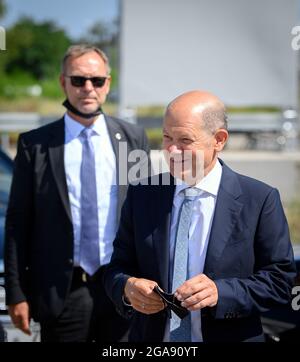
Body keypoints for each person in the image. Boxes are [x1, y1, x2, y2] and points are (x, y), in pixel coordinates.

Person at [104, 90, 296, 342]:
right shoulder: (142, 195)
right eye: (166, 137)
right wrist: (128, 288)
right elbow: (117, 268)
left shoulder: (259, 199)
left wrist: (221, 292)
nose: (172, 150)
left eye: (185, 140)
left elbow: (280, 281)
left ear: (219, 139)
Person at [4, 44, 150, 342]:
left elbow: (145, 211)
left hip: (122, 286)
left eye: (96, 80)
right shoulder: (36, 145)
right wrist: (16, 292)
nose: (88, 88)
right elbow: (18, 221)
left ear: (107, 84)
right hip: (63, 290)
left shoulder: (132, 138)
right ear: (63, 82)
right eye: (78, 80)